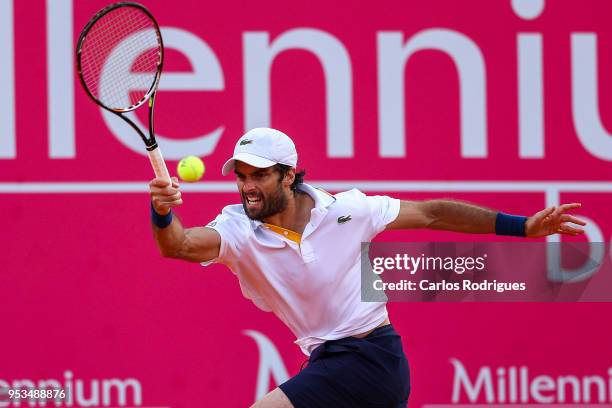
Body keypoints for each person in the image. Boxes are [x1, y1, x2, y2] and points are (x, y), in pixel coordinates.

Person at [148, 127, 586, 408]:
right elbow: (180, 245)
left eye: (258, 175)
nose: (247, 187)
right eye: (240, 176)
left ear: (288, 176)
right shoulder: (238, 230)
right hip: (332, 363)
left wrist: (523, 227)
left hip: (371, 358)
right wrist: (162, 213)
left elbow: (433, 213)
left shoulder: (350, 210)